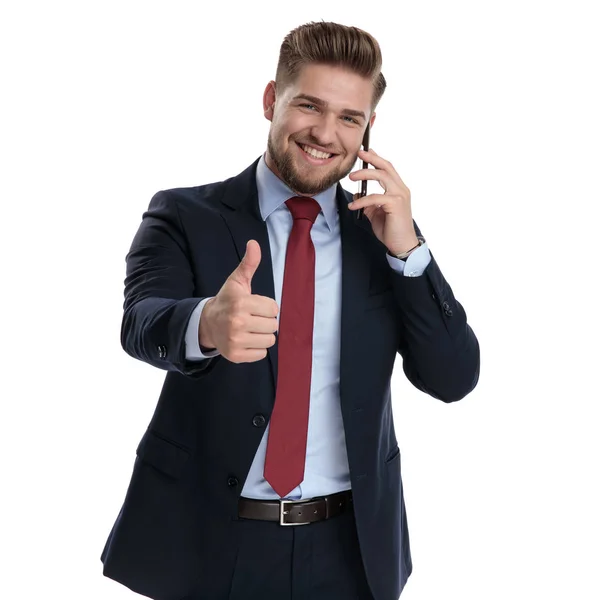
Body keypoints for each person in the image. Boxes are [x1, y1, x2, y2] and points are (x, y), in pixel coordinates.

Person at [100, 20, 480, 600]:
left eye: (349, 118)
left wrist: (410, 253)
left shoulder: (382, 235)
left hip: (349, 551)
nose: (326, 133)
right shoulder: (186, 214)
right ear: (271, 100)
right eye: (309, 106)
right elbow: (140, 321)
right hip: (207, 543)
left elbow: (453, 378)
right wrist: (205, 324)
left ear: (368, 128)